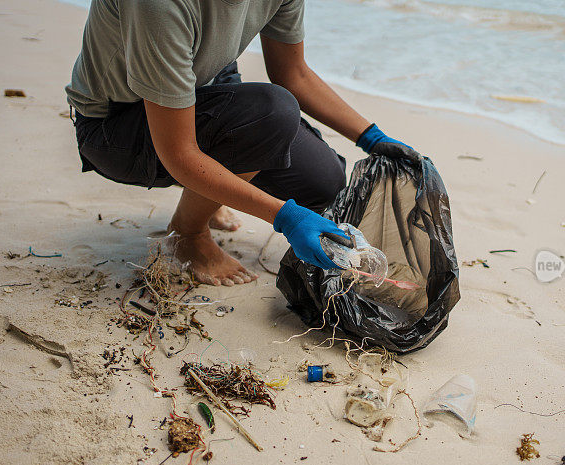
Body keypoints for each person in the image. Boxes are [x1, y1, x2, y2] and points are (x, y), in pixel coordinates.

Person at [66, 0, 419, 286]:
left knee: (322, 181)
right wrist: (286, 217)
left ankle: (210, 192)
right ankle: (188, 232)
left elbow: (292, 73)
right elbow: (178, 152)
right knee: (273, 114)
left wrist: (373, 138)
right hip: (116, 126)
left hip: (205, 90)